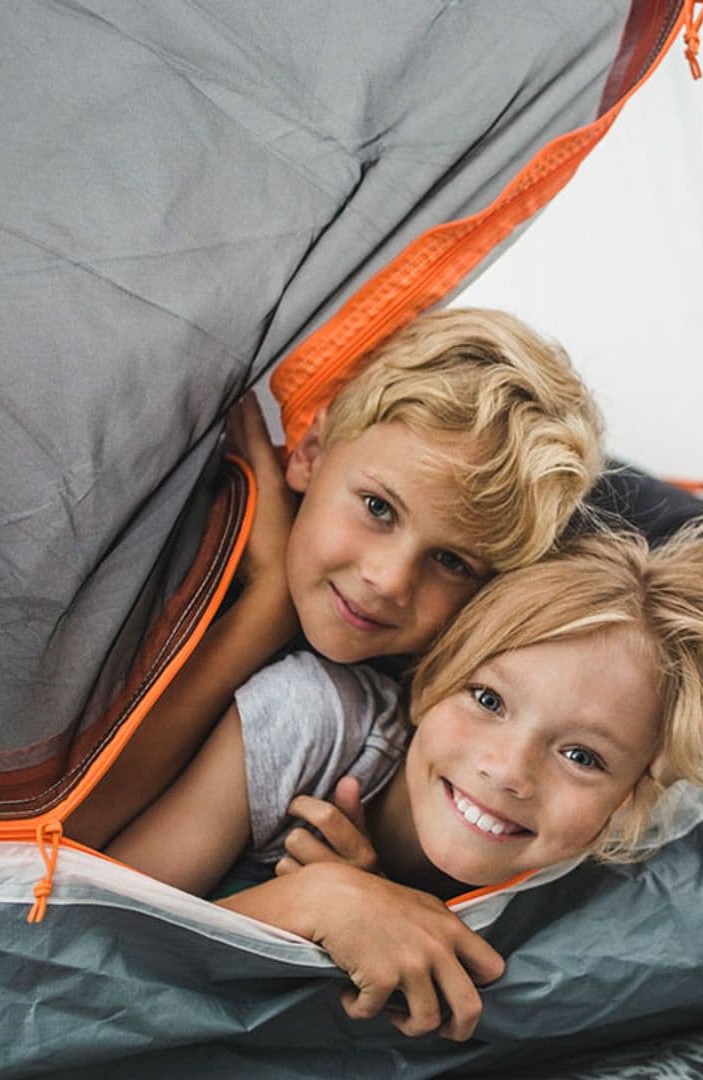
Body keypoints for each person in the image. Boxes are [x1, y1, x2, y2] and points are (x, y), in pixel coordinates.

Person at [106, 525, 703, 1041]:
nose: (506, 770)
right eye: (487, 698)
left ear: (630, 801)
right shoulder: (312, 721)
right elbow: (91, 937)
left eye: (583, 757)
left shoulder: (589, 903)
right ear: (429, 681)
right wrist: (319, 903)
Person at [66, 307, 603, 850]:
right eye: (378, 507)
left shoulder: (411, 715)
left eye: (452, 562)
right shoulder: (172, 547)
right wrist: (267, 607)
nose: (391, 580)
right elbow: (53, 835)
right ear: (310, 453)